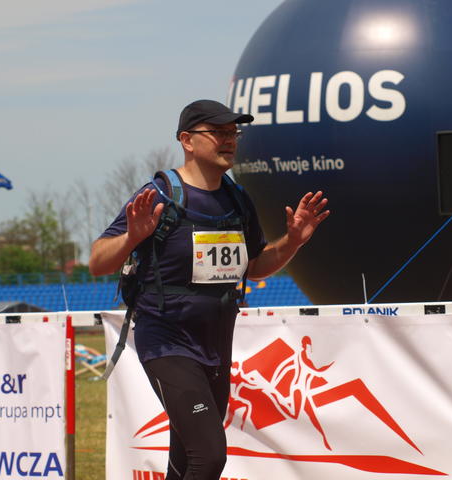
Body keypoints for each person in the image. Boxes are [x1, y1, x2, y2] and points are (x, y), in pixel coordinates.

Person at [89, 99, 330, 480]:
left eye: (233, 132)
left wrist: (293, 242)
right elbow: (97, 262)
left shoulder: (237, 199)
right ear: (187, 140)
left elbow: (255, 265)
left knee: (186, 460)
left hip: (216, 347)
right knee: (209, 455)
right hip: (167, 343)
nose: (229, 140)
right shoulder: (160, 195)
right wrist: (132, 237)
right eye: (217, 132)